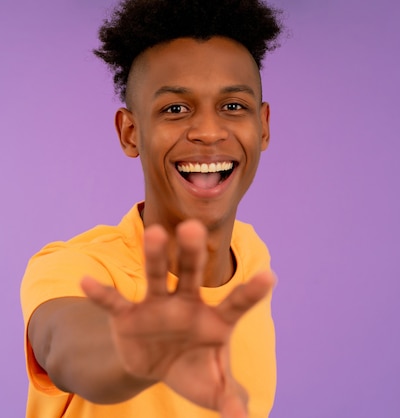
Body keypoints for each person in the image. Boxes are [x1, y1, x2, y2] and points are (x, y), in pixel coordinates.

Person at [20, 1, 284, 417]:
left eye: (233, 106)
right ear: (131, 132)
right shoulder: (76, 267)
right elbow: (64, 346)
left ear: (263, 126)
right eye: (175, 109)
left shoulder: (250, 254)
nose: (209, 131)